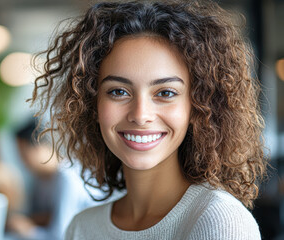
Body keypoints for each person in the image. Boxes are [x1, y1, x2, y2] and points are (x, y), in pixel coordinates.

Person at [31, 0, 268, 239]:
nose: (140, 115)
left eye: (165, 93)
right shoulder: (81, 228)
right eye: (118, 91)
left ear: (198, 106)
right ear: (92, 104)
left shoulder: (219, 220)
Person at [7, 119, 103, 240]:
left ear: (39, 146)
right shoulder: (40, 180)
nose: (22, 162)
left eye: (24, 154)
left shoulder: (68, 177)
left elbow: (61, 235)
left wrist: (27, 231)